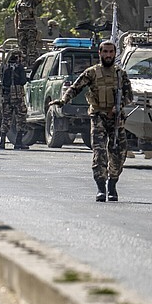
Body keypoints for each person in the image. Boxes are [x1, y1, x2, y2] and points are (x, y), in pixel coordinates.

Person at [51, 40, 133, 202]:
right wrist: (63, 101)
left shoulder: (120, 74)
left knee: (119, 153)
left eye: (111, 52)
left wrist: (120, 105)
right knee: (99, 152)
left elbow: (129, 95)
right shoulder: (92, 73)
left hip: (116, 118)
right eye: (105, 52)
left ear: (115, 54)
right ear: (100, 53)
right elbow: (75, 88)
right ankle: (101, 188)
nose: (108, 55)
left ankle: (112, 185)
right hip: (98, 117)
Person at [0, 50, 29, 150]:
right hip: (18, 96)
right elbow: (23, 81)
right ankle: (18, 142)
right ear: (17, 57)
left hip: (6, 96)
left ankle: (2, 142)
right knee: (21, 117)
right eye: (20, 57)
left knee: (6, 118)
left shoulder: (5, 66)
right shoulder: (19, 67)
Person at [14, 0, 45, 67]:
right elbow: (16, 16)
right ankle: (22, 66)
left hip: (31, 27)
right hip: (22, 27)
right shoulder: (19, 2)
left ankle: (32, 67)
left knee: (31, 49)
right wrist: (16, 28)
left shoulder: (33, 1)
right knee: (22, 50)